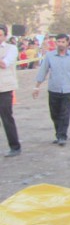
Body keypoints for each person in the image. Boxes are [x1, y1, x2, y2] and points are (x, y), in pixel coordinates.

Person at [32, 33, 70, 146]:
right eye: (58, 42)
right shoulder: (50, 56)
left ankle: (62, 136)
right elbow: (43, 71)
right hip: (54, 89)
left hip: (69, 89)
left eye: (63, 42)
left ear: (67, 43)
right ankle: (59, 134)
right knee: (55, 114)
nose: (60, 44)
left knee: (65, 113)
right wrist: (37, 87)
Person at [0, 24, 21, 157]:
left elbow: (4, 64)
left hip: (5, 88)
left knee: (7, 118)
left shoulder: (11, 48)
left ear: (5, 36)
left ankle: (15, 146)